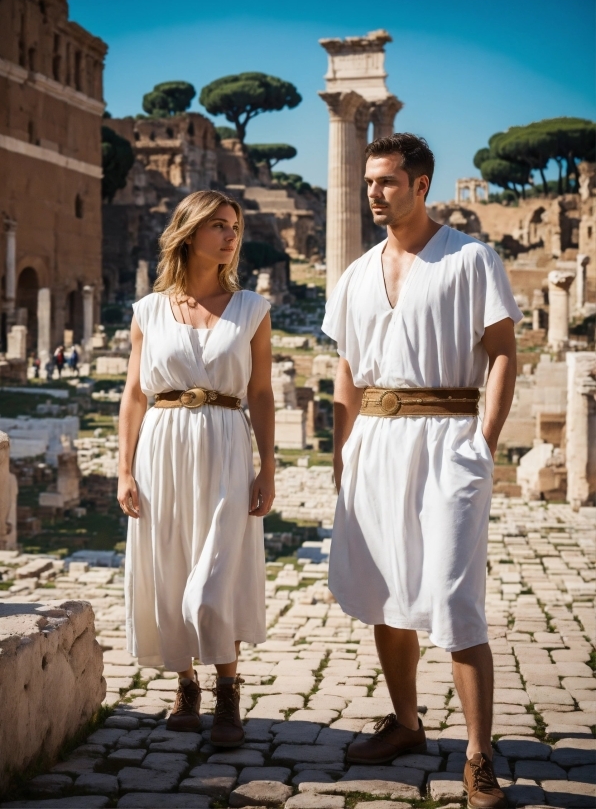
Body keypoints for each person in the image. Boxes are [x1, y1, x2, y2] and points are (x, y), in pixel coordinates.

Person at [322, 133, 521, 809]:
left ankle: (478, 755)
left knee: (456, 598)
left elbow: (501, 354)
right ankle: (407, 725)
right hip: (374, 442)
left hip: (449, 442)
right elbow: (346, 372)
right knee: (386, 589)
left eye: (387, 182)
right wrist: (339, 452)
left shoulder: (470, 259)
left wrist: (483, 443)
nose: (374, 193)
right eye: (369, 183)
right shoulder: (354, 274)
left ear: (421, 183)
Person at [118, 190, 275, 746]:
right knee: (171, 563)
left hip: (227, 442)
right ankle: (186, 684)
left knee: (215, 577)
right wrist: (124, 469)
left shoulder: (253, 309)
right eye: (220, 226)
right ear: (188, 233)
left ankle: (228, 689)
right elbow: (134, 395)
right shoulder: (147, 310)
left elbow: (260, 392)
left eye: (235, 227)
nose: (232, 237)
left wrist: (268, 466)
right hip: (161, 445)